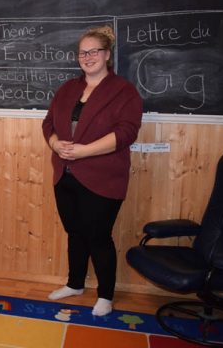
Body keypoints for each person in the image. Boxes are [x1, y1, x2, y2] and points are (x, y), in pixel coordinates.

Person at [42, 25, 142, 316]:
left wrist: (84, 151)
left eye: (94, 51)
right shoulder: (68, 89)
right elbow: (48, 122)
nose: (87, 57)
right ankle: (74, 284)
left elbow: (126, 133)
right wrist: (54, 143)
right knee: (75, 232)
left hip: (103, 178)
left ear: (107, 55)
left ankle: (106, 296)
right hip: (65, 174)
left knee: (98, 236)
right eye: (82, 53)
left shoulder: (123, 91)